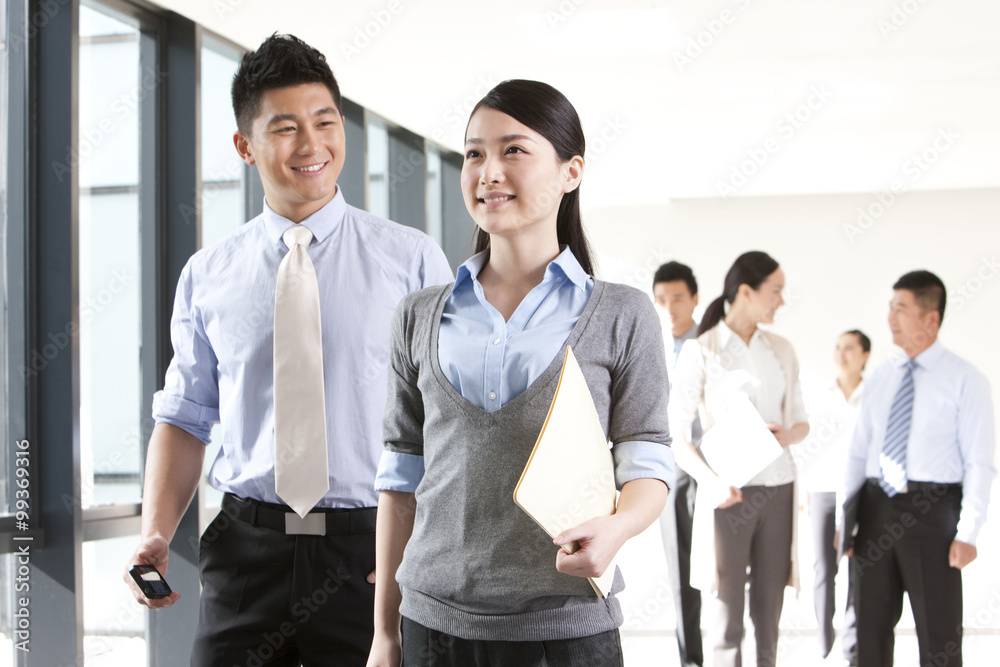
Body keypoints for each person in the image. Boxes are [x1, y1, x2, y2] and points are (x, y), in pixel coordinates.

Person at [122, 34, 452, 666]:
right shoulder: (207, 274)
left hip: (372, 553)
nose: (312, 144)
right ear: (246, 146)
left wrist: (424, 548)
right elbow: (185, 417)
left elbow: (449, 421)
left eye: (325, 121)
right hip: (248, 551)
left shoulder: (412, 260)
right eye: (286, 127)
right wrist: (156, 530)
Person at [365, 80, 675, 667]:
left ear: (571, 171)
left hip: (566, 627)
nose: (488, 171)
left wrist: (620, 528)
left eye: (514, 150)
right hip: (433, 625)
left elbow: (648, 459)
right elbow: (399, 478)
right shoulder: (419, 314)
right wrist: (384, 634)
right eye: (474, 153)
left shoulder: (622, 314)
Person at [843, 270, 995, 667]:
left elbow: (980, 462)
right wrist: (848, 522)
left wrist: (969, 532)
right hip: (876, 508)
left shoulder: (966, 380)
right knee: (869, 631)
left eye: (901, 308)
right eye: (890, 307)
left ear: (931, 318)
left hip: (934, 512)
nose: (891, 317)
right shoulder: (879, 376)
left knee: (938, 633)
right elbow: (858, 453)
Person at [669, 250, 810, 667]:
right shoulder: (701, 351)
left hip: (779, 490)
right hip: (728, 495)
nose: (780, 301)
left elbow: (802, 422)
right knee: (726, 615)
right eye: (776, 291)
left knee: (768, 615)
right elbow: (674, 435)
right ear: (746, 291)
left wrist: (788, 434)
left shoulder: (782, 350)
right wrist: (711, 482)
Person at [798, 330, 870, 665]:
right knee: (823, 568)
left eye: (850, 348)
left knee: (860, 566)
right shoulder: (821, 394)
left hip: (862, 493)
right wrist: (804, 488)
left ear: (865, 355)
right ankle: (823, 643)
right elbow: (807, 446)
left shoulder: (873, 395)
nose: (841, 354)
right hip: (824, 488)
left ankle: (852, 646)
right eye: (838, 347)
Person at [653, 261, 704, 667]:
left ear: (695, 299)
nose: (670, 308)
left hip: (717, 470)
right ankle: (692, 661)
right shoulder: (650, 349)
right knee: (681, 574)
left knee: (724, 570)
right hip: (671, 473)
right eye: (662, 300)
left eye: (678, 299)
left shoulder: (713, 346)